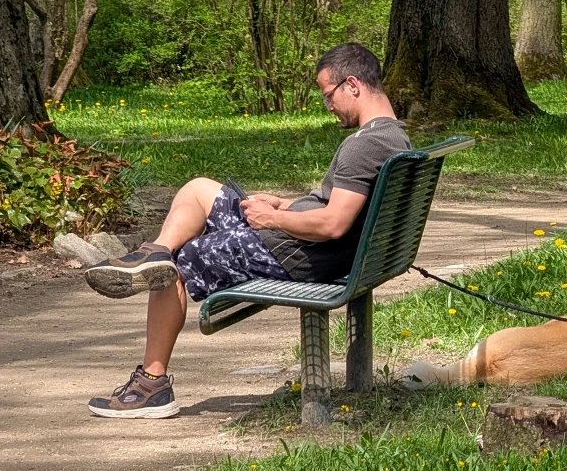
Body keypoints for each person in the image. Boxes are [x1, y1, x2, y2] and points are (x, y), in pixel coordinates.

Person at [83, 43, 410, 418]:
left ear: (352, 84)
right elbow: (340, 206)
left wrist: (274, 220)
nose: (329, 107)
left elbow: (333, 224)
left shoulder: (363, 145)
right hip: (312, 247)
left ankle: (152, 384)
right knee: (199, 189)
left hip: (299, 254)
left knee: (179, 259)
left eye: (327, 96)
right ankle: (152, 250)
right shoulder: (391, 136)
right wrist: (284, 204)